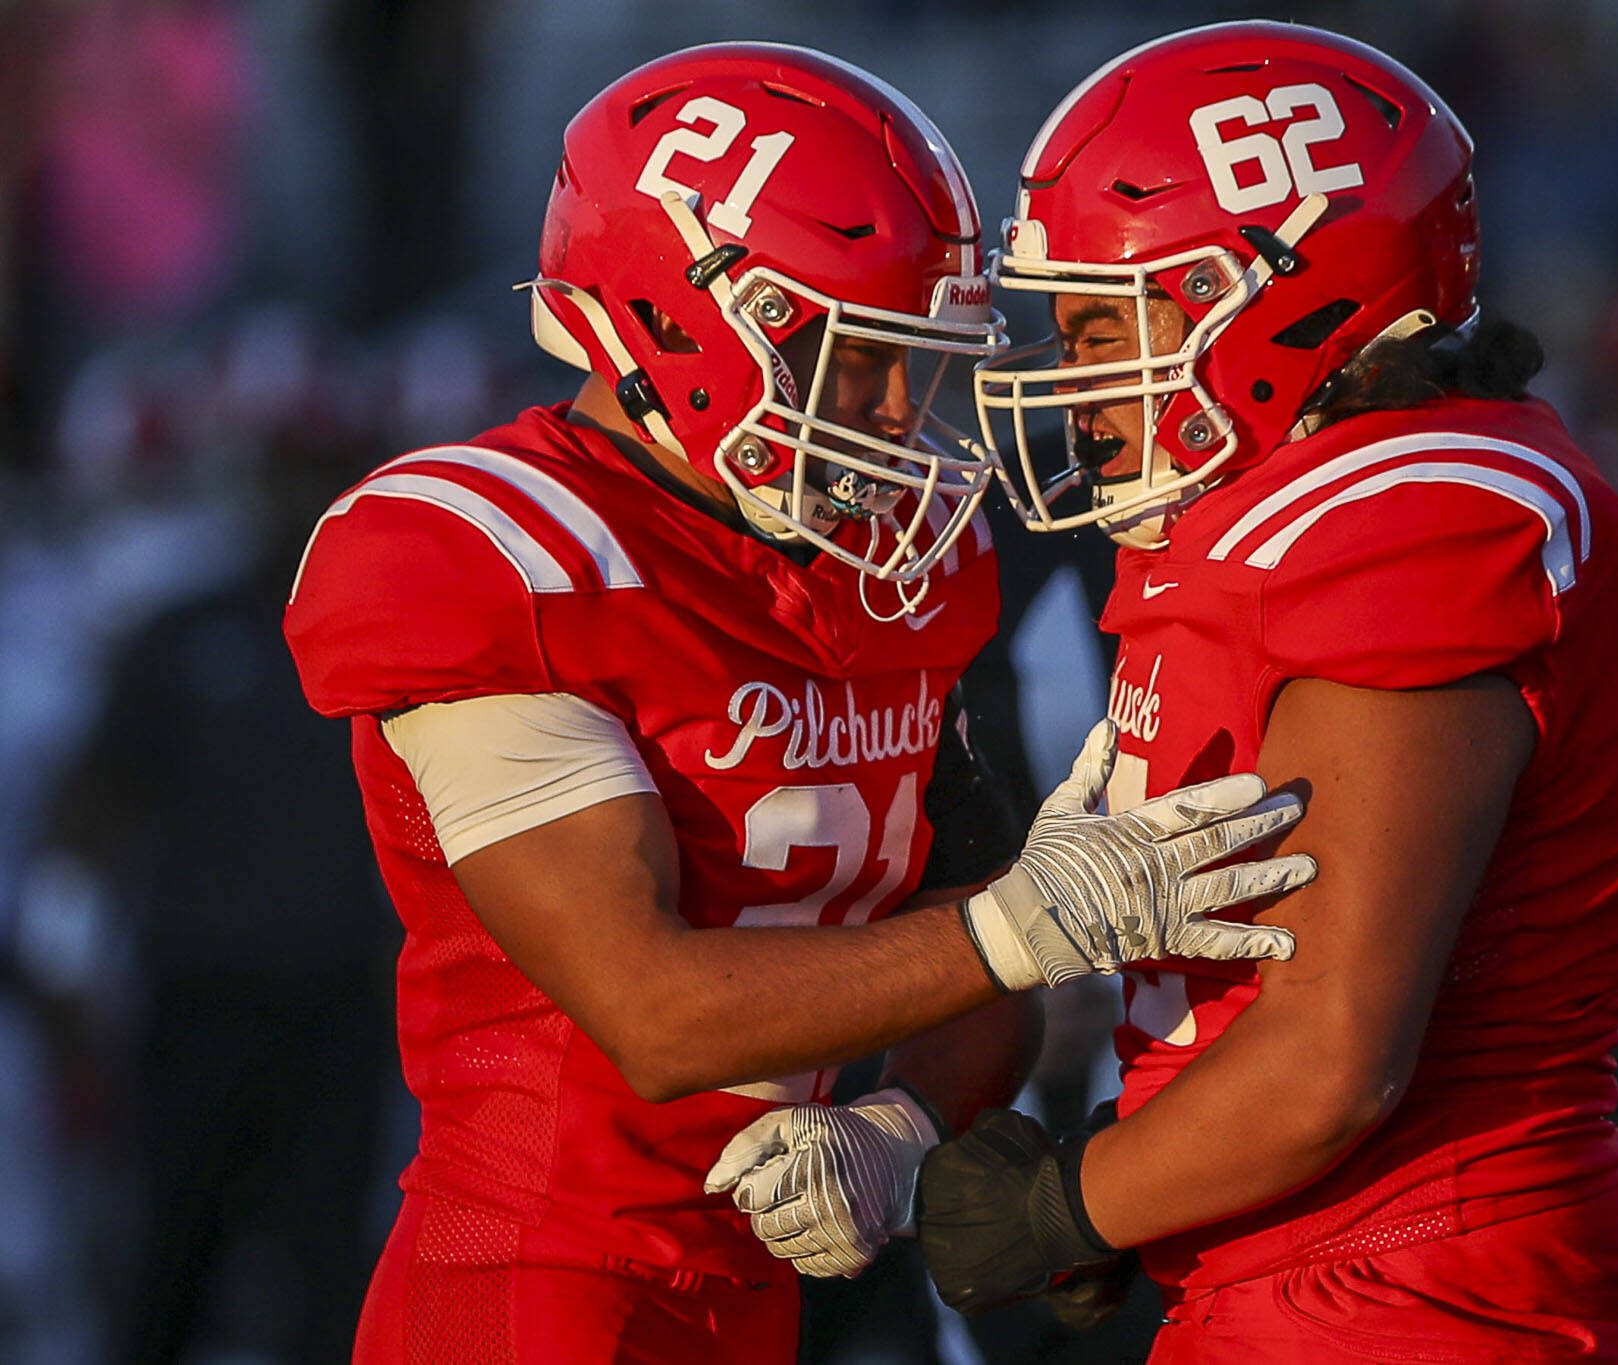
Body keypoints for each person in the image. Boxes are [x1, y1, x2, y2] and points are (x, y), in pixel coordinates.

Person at [281, 43, 1314, 1364]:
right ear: (695, 323)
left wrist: (901, 1128)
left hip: (759, 1295)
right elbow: (653, 1010)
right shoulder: (493, 555)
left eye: (912, 361)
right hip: (538, 1286)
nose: (897, 412)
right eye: (854, 357)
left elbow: (975, 945)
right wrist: (1017, 926)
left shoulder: (888, 569)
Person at [712, 23, 1618, 1358]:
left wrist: (1070, 1202)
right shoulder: (1266, 524)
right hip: (1308, 1263)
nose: (1079, 372)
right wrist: (1139, 1171)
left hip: (1418, 1283)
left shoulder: (1416, 512)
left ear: (1277, 297)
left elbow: (1335, 1051)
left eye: (1111, 318)